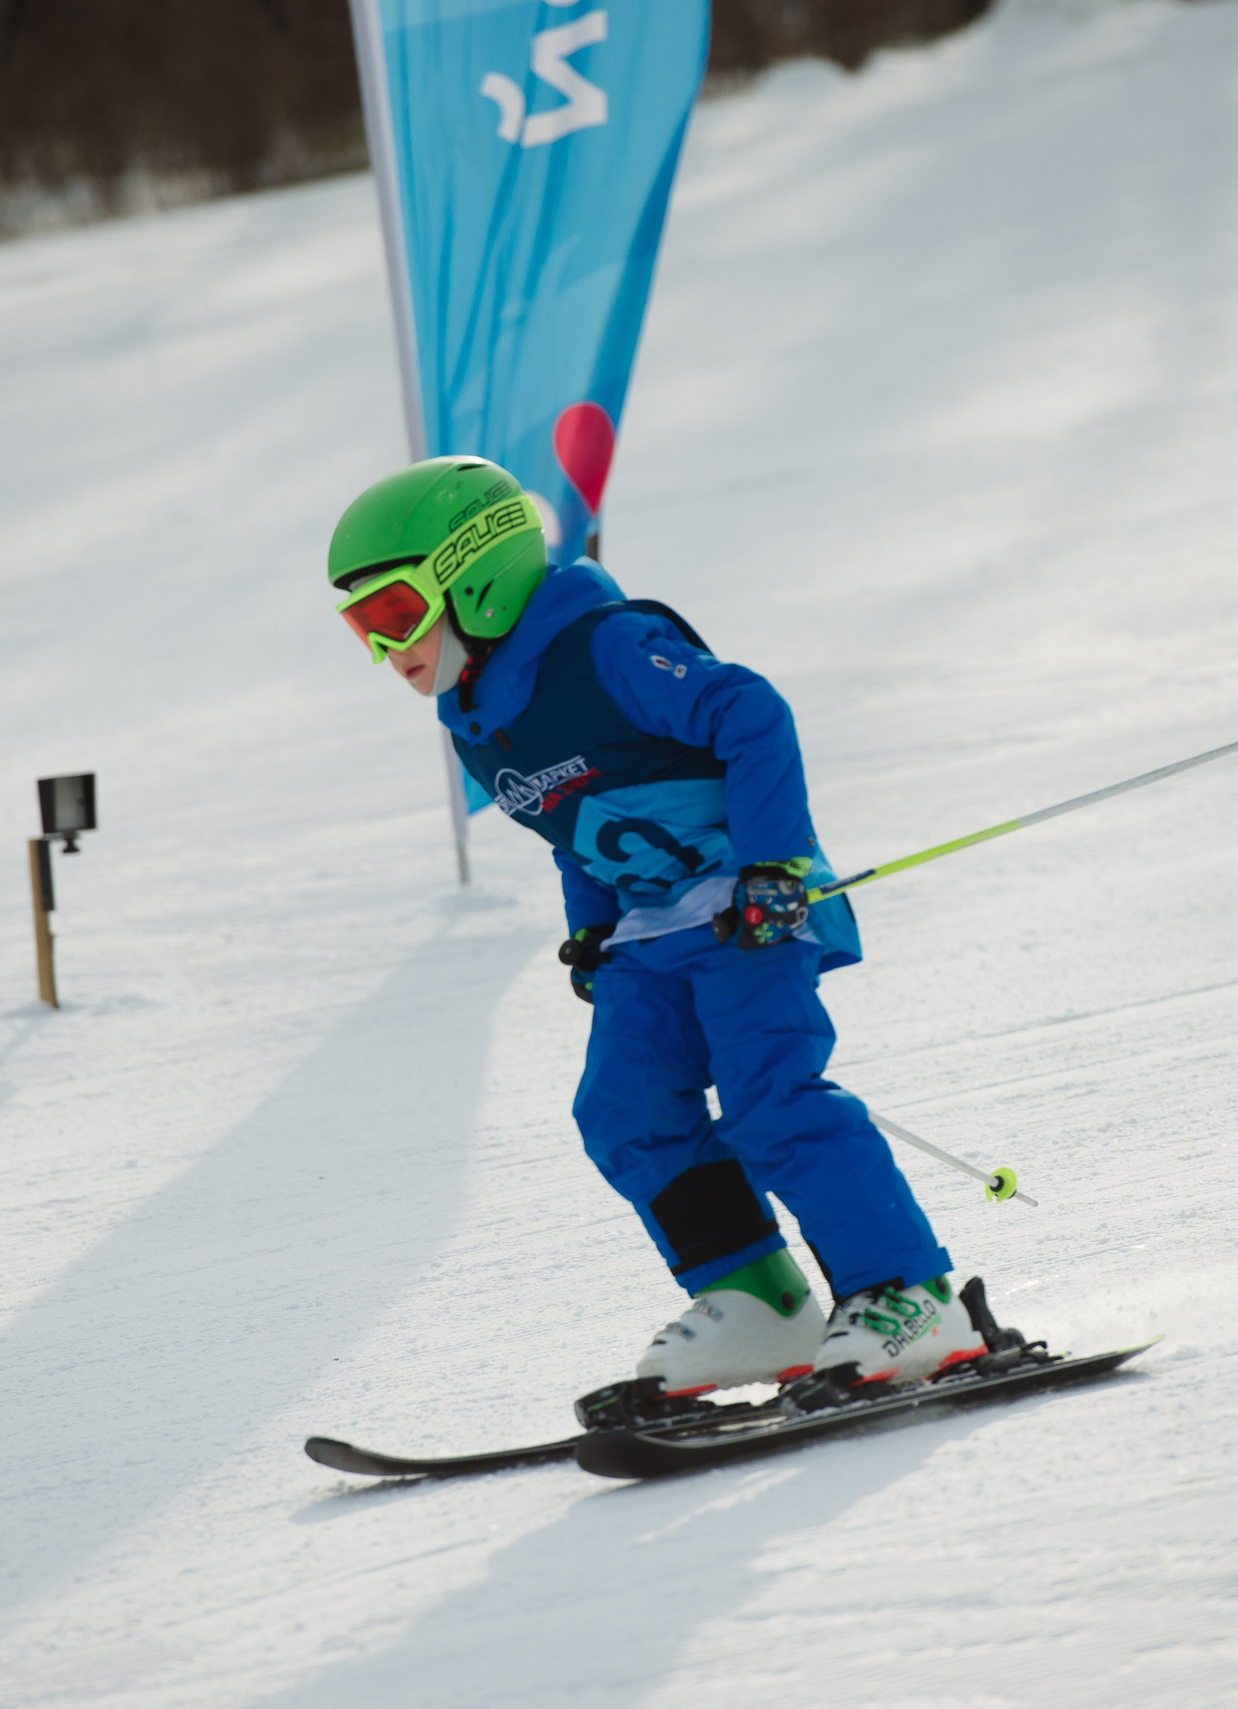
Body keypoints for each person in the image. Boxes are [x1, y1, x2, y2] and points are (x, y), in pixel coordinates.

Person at [327, 455, 985, 1396]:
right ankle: (759, 1302)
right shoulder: (474, 717)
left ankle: (910, 1295)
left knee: (772, 1103)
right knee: (624, 1111)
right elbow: (574, 831)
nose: (389, 647)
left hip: (747, 911)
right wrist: (591, 930)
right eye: (363, 627)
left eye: (396, 612)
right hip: (648, 932)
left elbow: (751, 715)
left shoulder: (609, 647)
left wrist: (774, 867)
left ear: (474, 574)